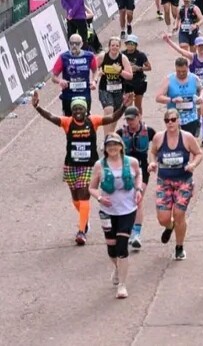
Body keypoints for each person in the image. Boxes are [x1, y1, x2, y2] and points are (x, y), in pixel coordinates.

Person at [31, 91, 129, 245]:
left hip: (88, 166)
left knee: (84, 195)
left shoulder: (93, 121)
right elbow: (50, 117)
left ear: (86, 110)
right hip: (71, 165)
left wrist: (123, 106)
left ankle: (81, 231)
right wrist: (38, 107)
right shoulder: (67, 122)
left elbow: (111, 118)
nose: (78, 111)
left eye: (80, 109)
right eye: (75, 109)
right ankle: (85, 218)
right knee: (76, 199)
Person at [88, 133, 144, 298]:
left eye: (115, 144)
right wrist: (99, 197)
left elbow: (138, 174)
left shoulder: (131, 162)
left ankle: (122, 285)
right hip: (108, 212)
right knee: (111, 249)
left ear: (121, 146)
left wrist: (138, 189)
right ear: (105, 148)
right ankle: (118, 268)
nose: (112, 148)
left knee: (122, 247)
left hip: (127, 210)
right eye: (109, 145)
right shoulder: (99, 165)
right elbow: (91, 187)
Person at [148, 108, 203, 260]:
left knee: (179, 214)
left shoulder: (187, 137)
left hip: (183, 181)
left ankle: (179, 247)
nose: (170, 123)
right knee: (163, 218)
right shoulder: (159, 137)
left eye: (173, 119)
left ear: (179, 120)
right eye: (167, 120)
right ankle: (169, 226)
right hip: (164, 181)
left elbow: (199, 153)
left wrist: (193, 164)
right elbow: (153, 152)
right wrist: (152, 163)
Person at [117, 104, 156, 250]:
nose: (130, 122)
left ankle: (136, 234)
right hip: (126, 170)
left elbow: (158, 146)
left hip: (142, 169)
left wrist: (154, 161)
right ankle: (127, 230)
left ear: (139, 117)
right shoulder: (121, 133)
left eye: (132, 119)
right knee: (126, 201)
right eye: (128, 120)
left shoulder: (149, 132)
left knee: (137, 199)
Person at [155, 56, 203, 138]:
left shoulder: (194, 78)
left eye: (184, 71)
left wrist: (201, 97)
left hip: (191, 118)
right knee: (175, 141)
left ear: (188, 68)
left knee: (189, 141)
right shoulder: (169, 79)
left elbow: (202, 89)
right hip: (174, 119)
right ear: (175, 68)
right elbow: (158, 97)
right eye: (178, 71)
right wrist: (172, 100)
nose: (181, 73)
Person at [51, 34, 98, 115]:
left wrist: (94, 81)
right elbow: (53, 77)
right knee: (68, 120)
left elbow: (96, 70)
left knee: (85, 118)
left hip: (84, 94)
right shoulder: (63, 57)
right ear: (68, 43)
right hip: (68, 95)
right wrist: (60, 81)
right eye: (72, 43)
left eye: (77, 43)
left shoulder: (89, 56)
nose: (74, 46)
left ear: (81, 44)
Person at [98, 37, 134, 136]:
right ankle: (106, 137)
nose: (114, 47)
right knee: (108, 109)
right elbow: (93, 69)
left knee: (115, 114)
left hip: (119, 89)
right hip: (105, 88)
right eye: (112, 45)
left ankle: (111, 134)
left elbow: (130, 76)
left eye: (117, 46)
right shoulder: (103, 57)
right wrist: (98, 73)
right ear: (109, 46)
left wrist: (120, 71)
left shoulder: (123, 58)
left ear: (120, 47)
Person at [122, 34, 152, 116]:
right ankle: (129, 120)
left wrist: (139, 68)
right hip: (127, 83)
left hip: (139, 82)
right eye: (128, 43)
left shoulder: (140, 55)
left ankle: (139, 120)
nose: (130, 45)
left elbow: (149, 67)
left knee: (138, 105)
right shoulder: (122, 54)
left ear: (136, 45)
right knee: (128, 104)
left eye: (132, 44)